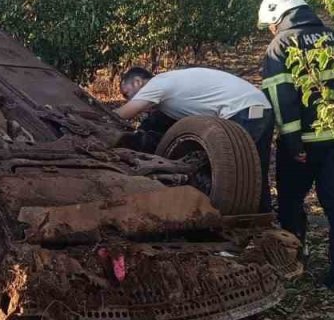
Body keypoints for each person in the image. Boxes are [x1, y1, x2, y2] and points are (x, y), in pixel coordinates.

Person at [257, 0, 334, 291]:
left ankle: (294, 263)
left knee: (290, 202)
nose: (271, 31)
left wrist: (293, 143)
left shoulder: (282, 45)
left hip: (304, 143)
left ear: (279, 14)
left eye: (271, 24)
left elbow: (281, 96)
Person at [117, 66, 273, 212]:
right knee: (256, 173)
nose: (127, 99)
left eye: (127, 94)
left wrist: (100, 119)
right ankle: (265, 221)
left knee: (231, 176)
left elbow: (125, 113)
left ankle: (227, 221)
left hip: (243, 110)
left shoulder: (157, 84)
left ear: (138, 82)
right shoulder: (171, 88)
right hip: (258, 107)